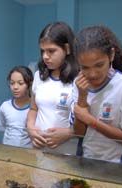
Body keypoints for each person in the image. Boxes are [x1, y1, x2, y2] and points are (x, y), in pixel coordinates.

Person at [72, 25, 122, 163]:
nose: (92, 74)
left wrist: (91, 120)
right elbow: (79, 133)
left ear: (111, 55)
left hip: (118, 166)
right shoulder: (78, 83)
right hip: (85, 161)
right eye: (84, 67)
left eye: (99, 65)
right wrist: (82, 97)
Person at [26, 22, 78, 154]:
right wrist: (31, 128)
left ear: (67, 49)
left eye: (51, 51)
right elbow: (33, 109)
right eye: (42, 51)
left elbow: (87, 120)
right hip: (39, 149)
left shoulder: (79, 79)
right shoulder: (39, 76)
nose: (45, 56)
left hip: (67, 152)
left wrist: (69, 133)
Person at [0, 66, 33, 148]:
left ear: (29, 84)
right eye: (12, 83)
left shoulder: (35, 108)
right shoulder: (5, 107)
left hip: (29, 154)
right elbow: (3, 128)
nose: (15, 87)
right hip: (8, 151)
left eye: (20, 83)